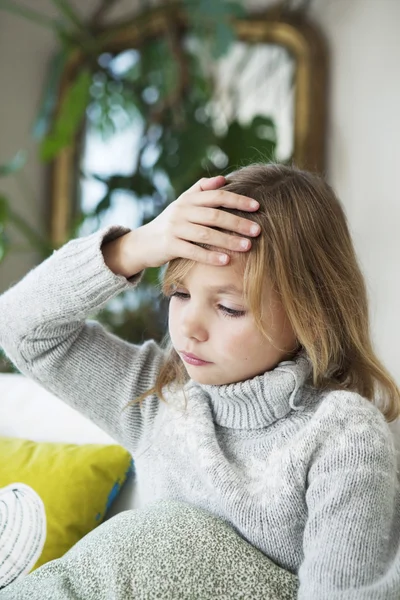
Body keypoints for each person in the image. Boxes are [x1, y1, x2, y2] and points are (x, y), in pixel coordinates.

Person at [0, 162, 399, 599]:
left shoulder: (342, 434)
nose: (189, 327)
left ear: (312, 316)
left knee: (165, 537)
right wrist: (137, 245)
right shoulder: (158, 396)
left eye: (228, 308)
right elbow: (21, 328)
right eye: (180, 294)